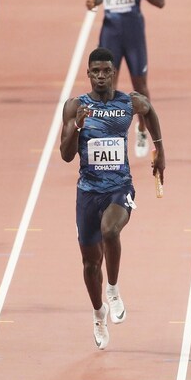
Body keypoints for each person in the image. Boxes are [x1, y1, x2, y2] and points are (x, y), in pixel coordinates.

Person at [59, 47, 165, 350]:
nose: (102, 76)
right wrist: (76, 126)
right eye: (96, 72)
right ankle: (98, 313)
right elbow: (66, 156)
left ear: (113, 73)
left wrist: (160, 151)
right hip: (88, 192)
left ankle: (114, 290)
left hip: (120, 187)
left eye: (107, 71)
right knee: (90, 264)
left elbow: (149, 111)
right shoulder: (75, 107)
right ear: (88, 74)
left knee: (111, 230)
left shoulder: (128, 102)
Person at [86, 0, 166, 159]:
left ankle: (142, 128)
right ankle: (109, 132)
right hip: (110, 32)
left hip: (133, 33)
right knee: (106, 85)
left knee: (139, 86)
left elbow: (160, 0)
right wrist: (93, 0)